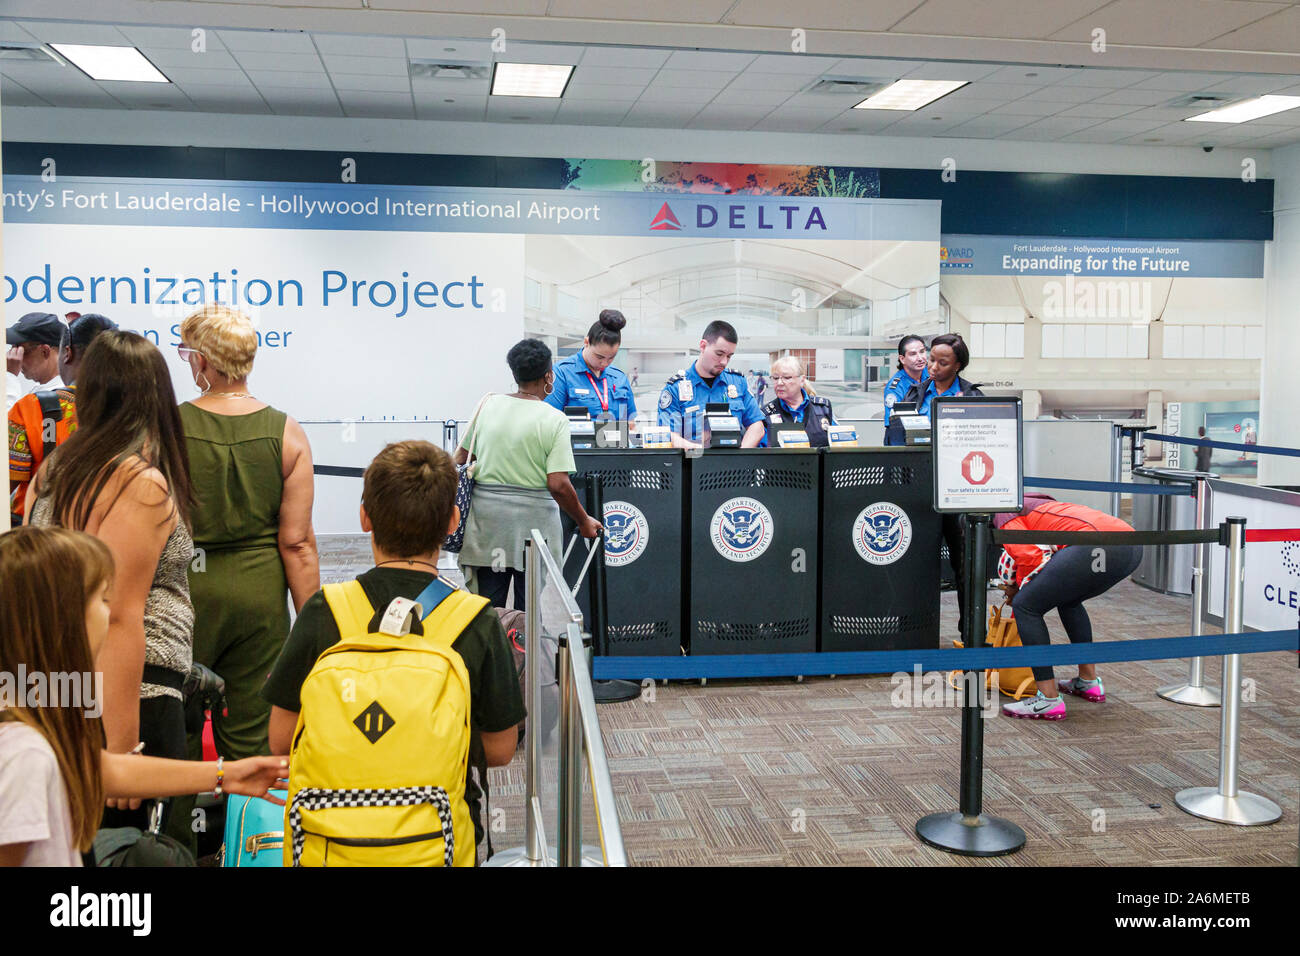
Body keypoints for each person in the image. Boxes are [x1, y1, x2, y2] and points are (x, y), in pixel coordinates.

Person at [263, 440, 526, 854]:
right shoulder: (477, 619)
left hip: (331, 843)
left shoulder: (324, 610)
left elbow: (281, 739)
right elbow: (501, 749)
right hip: (436, 841)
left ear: (365, 517)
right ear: (453, 520)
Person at [0, 526, 288, 867]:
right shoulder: (25, 754)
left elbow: (101, 769)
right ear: (64, 620)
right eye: (104, 600)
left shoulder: (36, 729)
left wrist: (230, 774)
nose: (110, 615)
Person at [24, 330, 195, 831]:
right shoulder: (139, 482)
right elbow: (120, 614)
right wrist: (122, 748)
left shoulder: (57, 469)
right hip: (131, 695)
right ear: (156, 395)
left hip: (62, 685)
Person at [166, 305, 319, 848]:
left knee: (174, 731)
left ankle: (176, 852)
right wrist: (317, 626)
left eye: (187, 355)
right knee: (259, 743)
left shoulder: (170, 429)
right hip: (261, 597)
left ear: (203, 361)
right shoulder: (288, 432)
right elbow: (297, 544)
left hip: (184, 595)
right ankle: (254, 849)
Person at [456, 338, 602, 609]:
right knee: (530, 613)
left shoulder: (488, 405)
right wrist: (583, 521)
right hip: (533, 531)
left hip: (488, 527)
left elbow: (461, 458)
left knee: (488, 610)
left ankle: (490, 651)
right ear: (548, 376)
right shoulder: (554, 419)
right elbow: (558, 484)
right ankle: (524, 650)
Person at [995, 500, 1141, 720]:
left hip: (1095, 546)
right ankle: (1088, 682)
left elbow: (1028, 556)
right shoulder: (1040, 504)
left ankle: (1048, 699)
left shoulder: (1005, 511)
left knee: (1026, 606)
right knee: (1069, 599)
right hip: (1131, 546)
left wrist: (1018, 592)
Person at [893, 332, 983, 637]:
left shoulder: (971, 397)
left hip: (959, 493)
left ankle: (970, 632)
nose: (932, 366)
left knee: (964, 565)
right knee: (916, 563)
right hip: (921, 490)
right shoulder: (914, 394)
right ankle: (914, 632)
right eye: (931, 359)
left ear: (957, 365)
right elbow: (899, 438)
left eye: (942, 363)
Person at [9, 314, 117, 527]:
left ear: (66, 353)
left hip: (40, 540)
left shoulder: (31, 408)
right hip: (109, 534)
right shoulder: (135, 408)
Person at [657, 320, 765, 449]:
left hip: (733, 466)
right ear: (703, 346)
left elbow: (756, 427)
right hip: (692, 463)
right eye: (719, 354)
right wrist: (699, 453)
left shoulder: (737, 383)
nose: (724, 362)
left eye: (729, 356)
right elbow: (668, 434)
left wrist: (739, 456)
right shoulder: (675, 388)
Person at [545, 309, 637, 422]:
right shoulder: (562, 374)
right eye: (599, 357)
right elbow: (549, 422)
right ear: (586, 342)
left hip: (617, 439)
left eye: (611, 358)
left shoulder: (619, 378)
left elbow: (629, 422)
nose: (604, 363)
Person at [760, 355, 837, 447]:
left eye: (787, 377)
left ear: (802, 380)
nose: (779, 383)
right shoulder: (766, 414)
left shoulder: (823, 408)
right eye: (776, 378)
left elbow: (839, 443)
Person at [6, 312, 65, 408]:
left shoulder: (59, 396)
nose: (16, 358)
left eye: (21, 351)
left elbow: (8, 422)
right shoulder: (43, 390)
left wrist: (10, 377)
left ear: (45, 351)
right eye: (13, 349)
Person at [882, 335, 929, 445]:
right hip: (903, 440)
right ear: (902, 359)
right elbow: (894, 427)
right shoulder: (895, 387)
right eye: (913, 354)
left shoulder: (932, 376)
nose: (920, 358)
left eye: (922, 352)